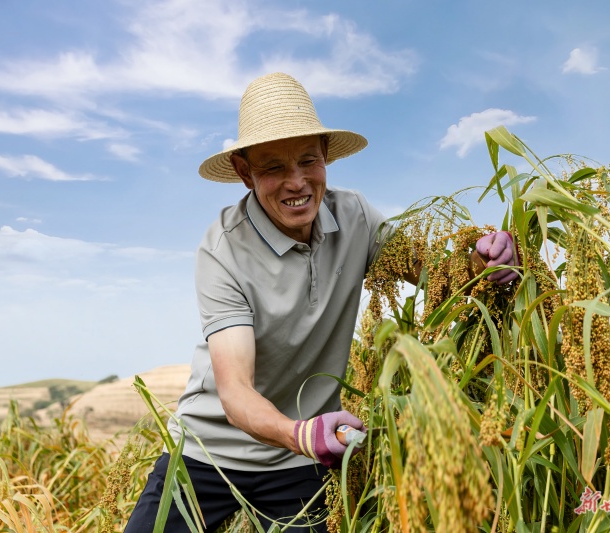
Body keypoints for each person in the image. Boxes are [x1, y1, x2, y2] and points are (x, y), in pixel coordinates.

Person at [124, 72, 519, 532]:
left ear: (326, 156)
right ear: (243, 171)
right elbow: (234, 392)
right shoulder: (222, 250)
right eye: (273, 168)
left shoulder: (355, 217)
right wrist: (301, 433)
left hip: (299, 463)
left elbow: (440, 273)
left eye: (308, 161)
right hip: (209, 453)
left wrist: (483, 261)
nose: (296, 183)